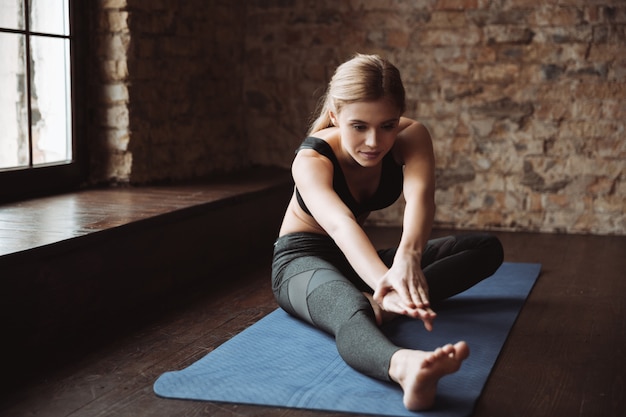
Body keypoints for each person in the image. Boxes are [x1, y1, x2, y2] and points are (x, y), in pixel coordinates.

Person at [271, 53, 504, 411]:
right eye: (359, 126)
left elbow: (420, 200)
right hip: (302, 261)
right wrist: (387, 281)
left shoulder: (412, 136)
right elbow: (340, 225)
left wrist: (407, 261)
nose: (374, 142)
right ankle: (406, 369)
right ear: (335, 116)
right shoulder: (311, 160)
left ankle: (383, 307)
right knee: (350, 307)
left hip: (358, 259)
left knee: (485, 248)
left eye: (387, 125)